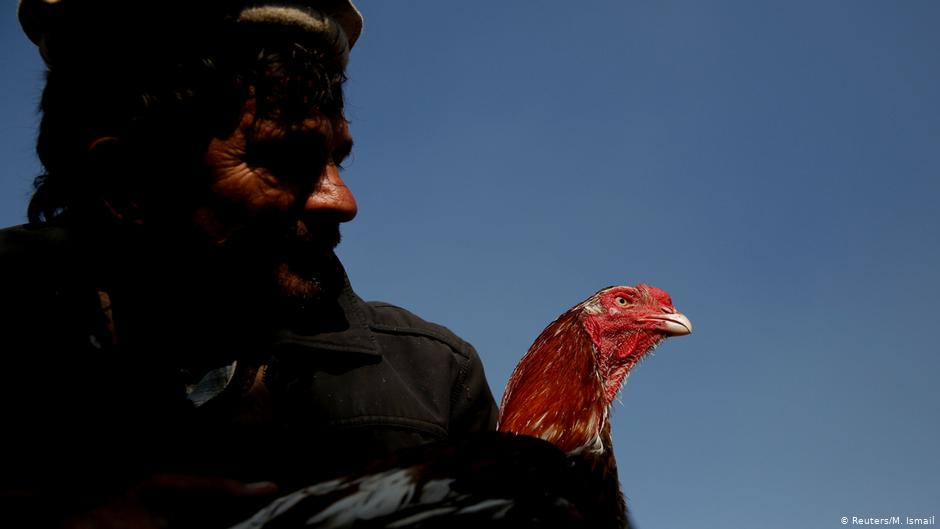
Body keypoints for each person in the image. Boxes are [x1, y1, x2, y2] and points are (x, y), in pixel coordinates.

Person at [1, 1, 498, 527]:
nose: (341, 200)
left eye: (337, 158)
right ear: (127, 184)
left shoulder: (433, 380)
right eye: (285, 159)